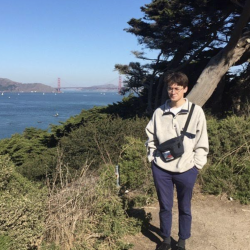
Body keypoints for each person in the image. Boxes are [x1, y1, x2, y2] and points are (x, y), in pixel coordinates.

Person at [145, 72, 209, 250]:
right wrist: (152, 157)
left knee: (184, 207)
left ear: (185, 89)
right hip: (161, 167)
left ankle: (182, 241)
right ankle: (165, 239)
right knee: (165, 206)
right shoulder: (159, 112)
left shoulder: (196, 112)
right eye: (170, 88)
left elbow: (202, 140)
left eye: (177, 88)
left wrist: (197, 165)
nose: (173, 92)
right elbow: (150, 137)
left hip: (187, 168)